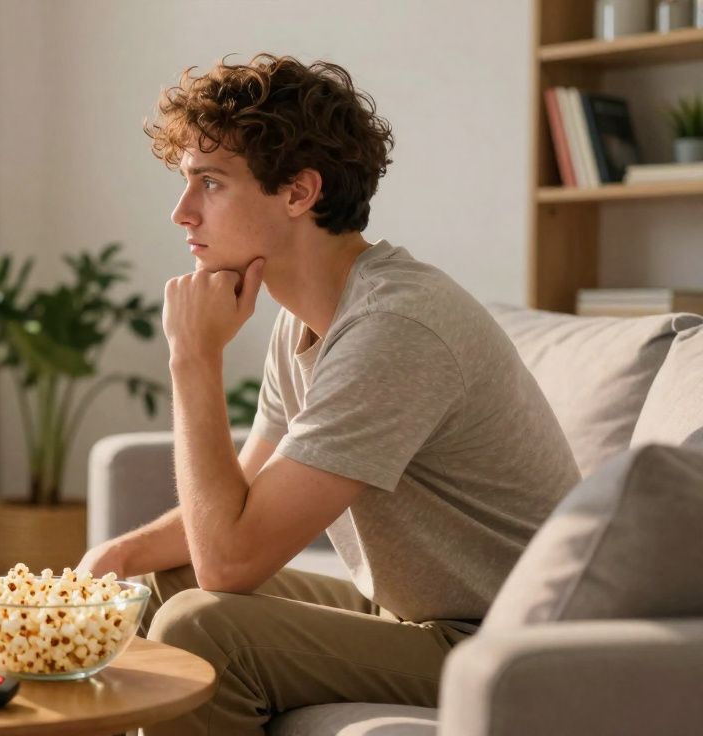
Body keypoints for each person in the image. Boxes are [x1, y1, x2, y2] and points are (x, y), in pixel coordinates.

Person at [74, 55, 580, 734]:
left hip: (499, 649)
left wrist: (193, 359)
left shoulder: (395, 326)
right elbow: (240, 503)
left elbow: (230, 561)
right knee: (163, 583)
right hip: (407, 614)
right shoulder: (307, 321)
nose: (181, 212)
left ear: (297, 193)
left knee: (205, 620)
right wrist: (120, 555)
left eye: (210, 183)